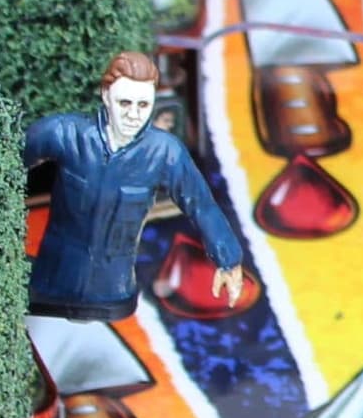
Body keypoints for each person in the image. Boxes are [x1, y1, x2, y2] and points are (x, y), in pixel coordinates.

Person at [29, 51, 249, 320]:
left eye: (143, 105)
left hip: (113, 290)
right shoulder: (65, 134)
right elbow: (10, 162)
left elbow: (201, 205)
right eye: (124, 103)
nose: (133, 115)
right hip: (51, 282)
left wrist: (229, 259)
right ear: (105, 95)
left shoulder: (164, 152)